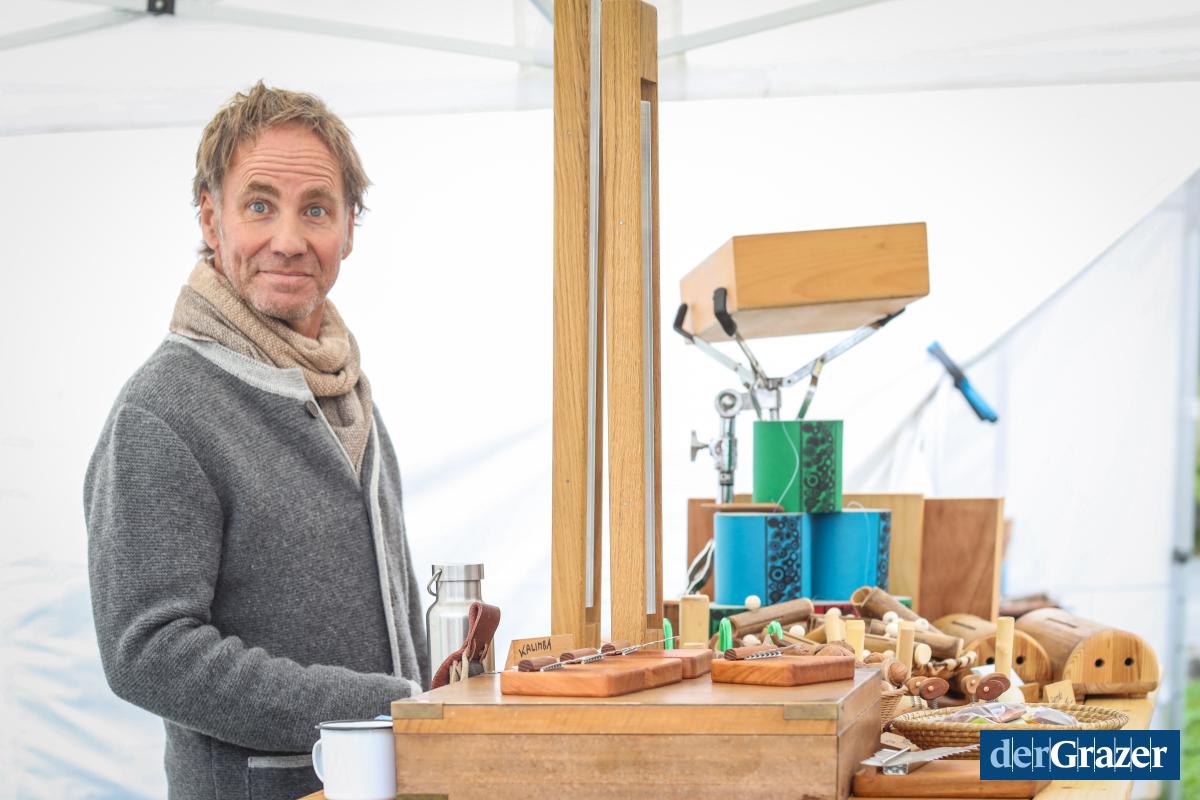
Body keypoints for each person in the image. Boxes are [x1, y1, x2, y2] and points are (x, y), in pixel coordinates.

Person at [83, 82, 428, 800]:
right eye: (260, 205)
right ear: (212, 219)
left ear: (350, 228)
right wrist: (381, 708)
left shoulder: (344, 388)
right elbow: (147, 651)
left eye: (316, 210)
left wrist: (438, 702)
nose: (290, 241)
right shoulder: (162, 409)